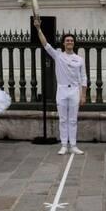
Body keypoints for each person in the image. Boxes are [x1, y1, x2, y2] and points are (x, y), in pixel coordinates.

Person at [33, 16, 87, 155]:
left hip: (75, 90)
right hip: (62, 90)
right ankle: (64, 144)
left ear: (74, 43)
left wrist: (83, 95)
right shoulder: (58, 55)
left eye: (71, 41)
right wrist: (38, 28)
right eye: (67, 40)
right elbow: (45, 45)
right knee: (63, 119)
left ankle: (73, 145)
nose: (69, 42)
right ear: (63, 43)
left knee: (73, 119)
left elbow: (84, 77)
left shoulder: (79, 59)